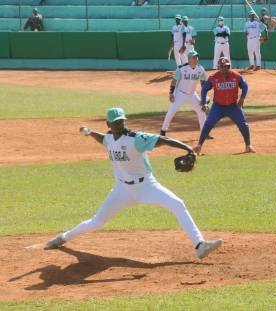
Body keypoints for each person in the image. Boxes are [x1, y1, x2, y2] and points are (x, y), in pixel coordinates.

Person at [45, 107, 222, 260]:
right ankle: (62, 238)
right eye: (115, 122)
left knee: (177, 204)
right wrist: (90, 132)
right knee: (96, 222)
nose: (119, 125)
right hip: (122, 190)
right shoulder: (108, 139)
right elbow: (103, 139)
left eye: (121, 121)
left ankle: (200, 245)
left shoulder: (136, 138)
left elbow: (163, 140)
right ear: (108, 125)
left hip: (147, 187)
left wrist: (187, 148)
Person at [193, 57, 255, 155]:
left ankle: (248, 146)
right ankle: (199, 146)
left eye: (226, 66)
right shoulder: (213, 77)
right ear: (218, 67)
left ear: (229, 66)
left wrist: (242, 99)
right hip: (218, 106)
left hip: (233, 106)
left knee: (243, 124)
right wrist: (204, 102)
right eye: (222, 66)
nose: (224, 68)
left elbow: (245, 86)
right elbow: (204, 89)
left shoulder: (236, 76)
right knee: (208, 123)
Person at [160, 50, 208, 137]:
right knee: (172, 111)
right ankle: (163, 131)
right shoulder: (181, 68)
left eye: (197, 57)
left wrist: (204, 98)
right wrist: (171, 93)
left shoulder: (200, 69)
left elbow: (203, 84)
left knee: (201, 111)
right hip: (179, 93)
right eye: (194, 57)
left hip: (192, 94)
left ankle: (204, 132)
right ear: (189, 59)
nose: (196, 59)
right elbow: (174, 81)